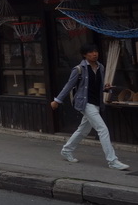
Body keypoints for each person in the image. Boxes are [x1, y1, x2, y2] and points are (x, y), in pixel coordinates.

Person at [51, 43, 130, 171]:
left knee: (83, 130)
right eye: (91, 52)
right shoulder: (79, 69)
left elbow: (97, 86)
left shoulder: (101, 67)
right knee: (102, 129)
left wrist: (106, 88)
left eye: (96, 51)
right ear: (84, 55)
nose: (94, 54)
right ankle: (112, 161)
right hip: (85, 103)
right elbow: (68, 86)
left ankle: (66, 150)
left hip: (96, 103)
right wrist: (57, 100)